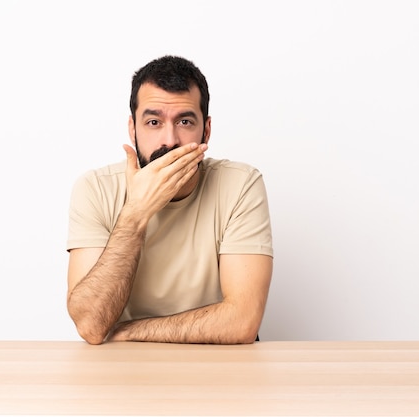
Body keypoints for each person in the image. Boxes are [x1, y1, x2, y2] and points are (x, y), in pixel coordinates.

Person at [66, 55, 273, 345]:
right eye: (153, 122)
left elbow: (243, 322)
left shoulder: (240, 184)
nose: (170, 140)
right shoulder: (95, 189)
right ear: (133, 129)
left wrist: (127, 331)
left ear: (207, 130)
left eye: (185, 121)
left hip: (218, 364)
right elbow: (90, 324)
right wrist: (136, 213)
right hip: (124, 369)